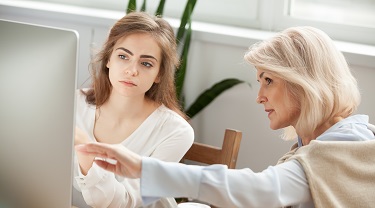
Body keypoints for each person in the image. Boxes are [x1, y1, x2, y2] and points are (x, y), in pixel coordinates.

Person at [76, 26, 375, 208]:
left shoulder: (336, 155)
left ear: (302, 83)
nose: (259, 96)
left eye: (268, 80)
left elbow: (260, 189)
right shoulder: (330, 145)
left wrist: (143, 168)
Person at [72, 11, 194, 208]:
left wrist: (86, 149)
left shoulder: (175, 132)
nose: (132, 70)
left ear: (159, 74)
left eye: (146, 63)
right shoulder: (73, 104)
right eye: (123, 56)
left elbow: (128, 203)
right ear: (108, 59)